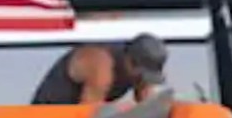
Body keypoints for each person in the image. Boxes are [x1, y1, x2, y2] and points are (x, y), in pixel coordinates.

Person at [30, 34, 169, 106]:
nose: (142, 82)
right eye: (141, 76)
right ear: (129, 61)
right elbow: (88, 117)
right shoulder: (101, 64)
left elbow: (146, 106)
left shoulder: (139, 72)